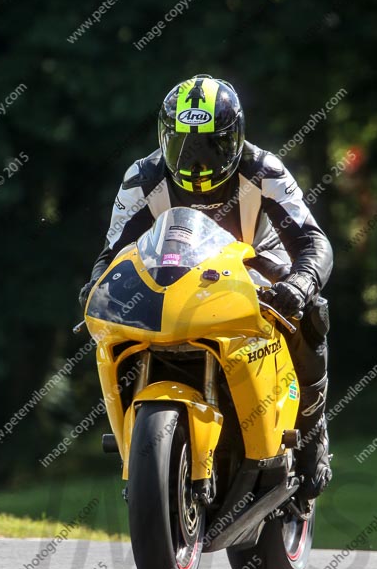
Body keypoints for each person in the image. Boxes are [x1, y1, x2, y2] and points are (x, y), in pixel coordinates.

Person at [79, 74, 333, 503]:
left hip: (257, 266)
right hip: (172, 280)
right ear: (164, 140)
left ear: (235, 138)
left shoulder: (264, 169)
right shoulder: (141, 178)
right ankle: (137, 448)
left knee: (312, 311)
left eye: (211, 145)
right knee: (108, 324)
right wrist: (93, 288)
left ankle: (312, 435)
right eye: (184, 147)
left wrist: (301, 281)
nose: (197, 160)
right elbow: (112, 252)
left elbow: (313, 240)